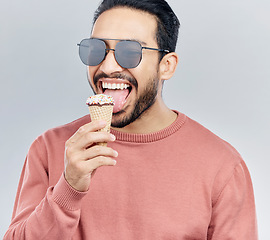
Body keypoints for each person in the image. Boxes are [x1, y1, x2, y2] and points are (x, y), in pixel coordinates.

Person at [4, 0, 258, 239]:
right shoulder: (50, 148)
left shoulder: (222, 165)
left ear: (166, 65)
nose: (108, 65)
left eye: (130, 51)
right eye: (96, 50)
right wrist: (68, 189)